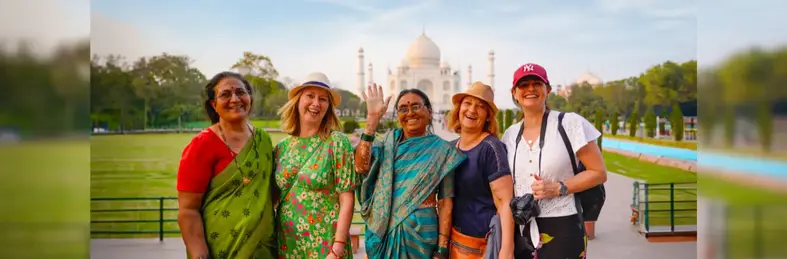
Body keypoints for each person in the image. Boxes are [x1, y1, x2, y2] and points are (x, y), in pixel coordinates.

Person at [501, 63, 607, 259]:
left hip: (563, 225)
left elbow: (599, 173)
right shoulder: (510, 135)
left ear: (547, 89)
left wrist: (559, 187)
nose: (530, 89)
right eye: (523, 85)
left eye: (536, 83)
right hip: (522, 228)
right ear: (514, 93)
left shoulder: (569, 123)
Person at [354, 85, 466, 259]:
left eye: (416, 106)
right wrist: (372, 121)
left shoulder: (442, 151)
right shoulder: (387, 144)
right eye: (403, 109)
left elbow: (445, 201)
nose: (410, 113)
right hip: (384, 232)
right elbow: (361, 168)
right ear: (398, 116)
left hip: (422, 234)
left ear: (429, 112)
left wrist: (442, 247)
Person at [176, 71, 276, 259]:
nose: (235, 99)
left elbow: (269, 193)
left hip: (264, 249)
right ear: (213, 105)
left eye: (241, 92)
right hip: (220, 249)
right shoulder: (202, 145)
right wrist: (199, 254)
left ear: (250, 98)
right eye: (225, 94)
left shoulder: (264, 140)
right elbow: (188, 210)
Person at [273, 72, 358, 259]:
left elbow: (347, 199)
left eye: (323, 99)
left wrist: (337, 248)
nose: (316, 103)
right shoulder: (282, 148)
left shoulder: (337, 142)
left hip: (325, 246)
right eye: (310, 96)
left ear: (328, 107)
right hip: (288, 245)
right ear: (298, 101)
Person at [446, 81, 515, 259]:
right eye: (467, 103)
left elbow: (505, 201)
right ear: (459, 109)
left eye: (480, 106)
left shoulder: (490, 148)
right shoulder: (451, 148)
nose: (472, 110)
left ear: (487, 117)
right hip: (452, 241)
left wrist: (506, 250)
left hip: (480, 246)